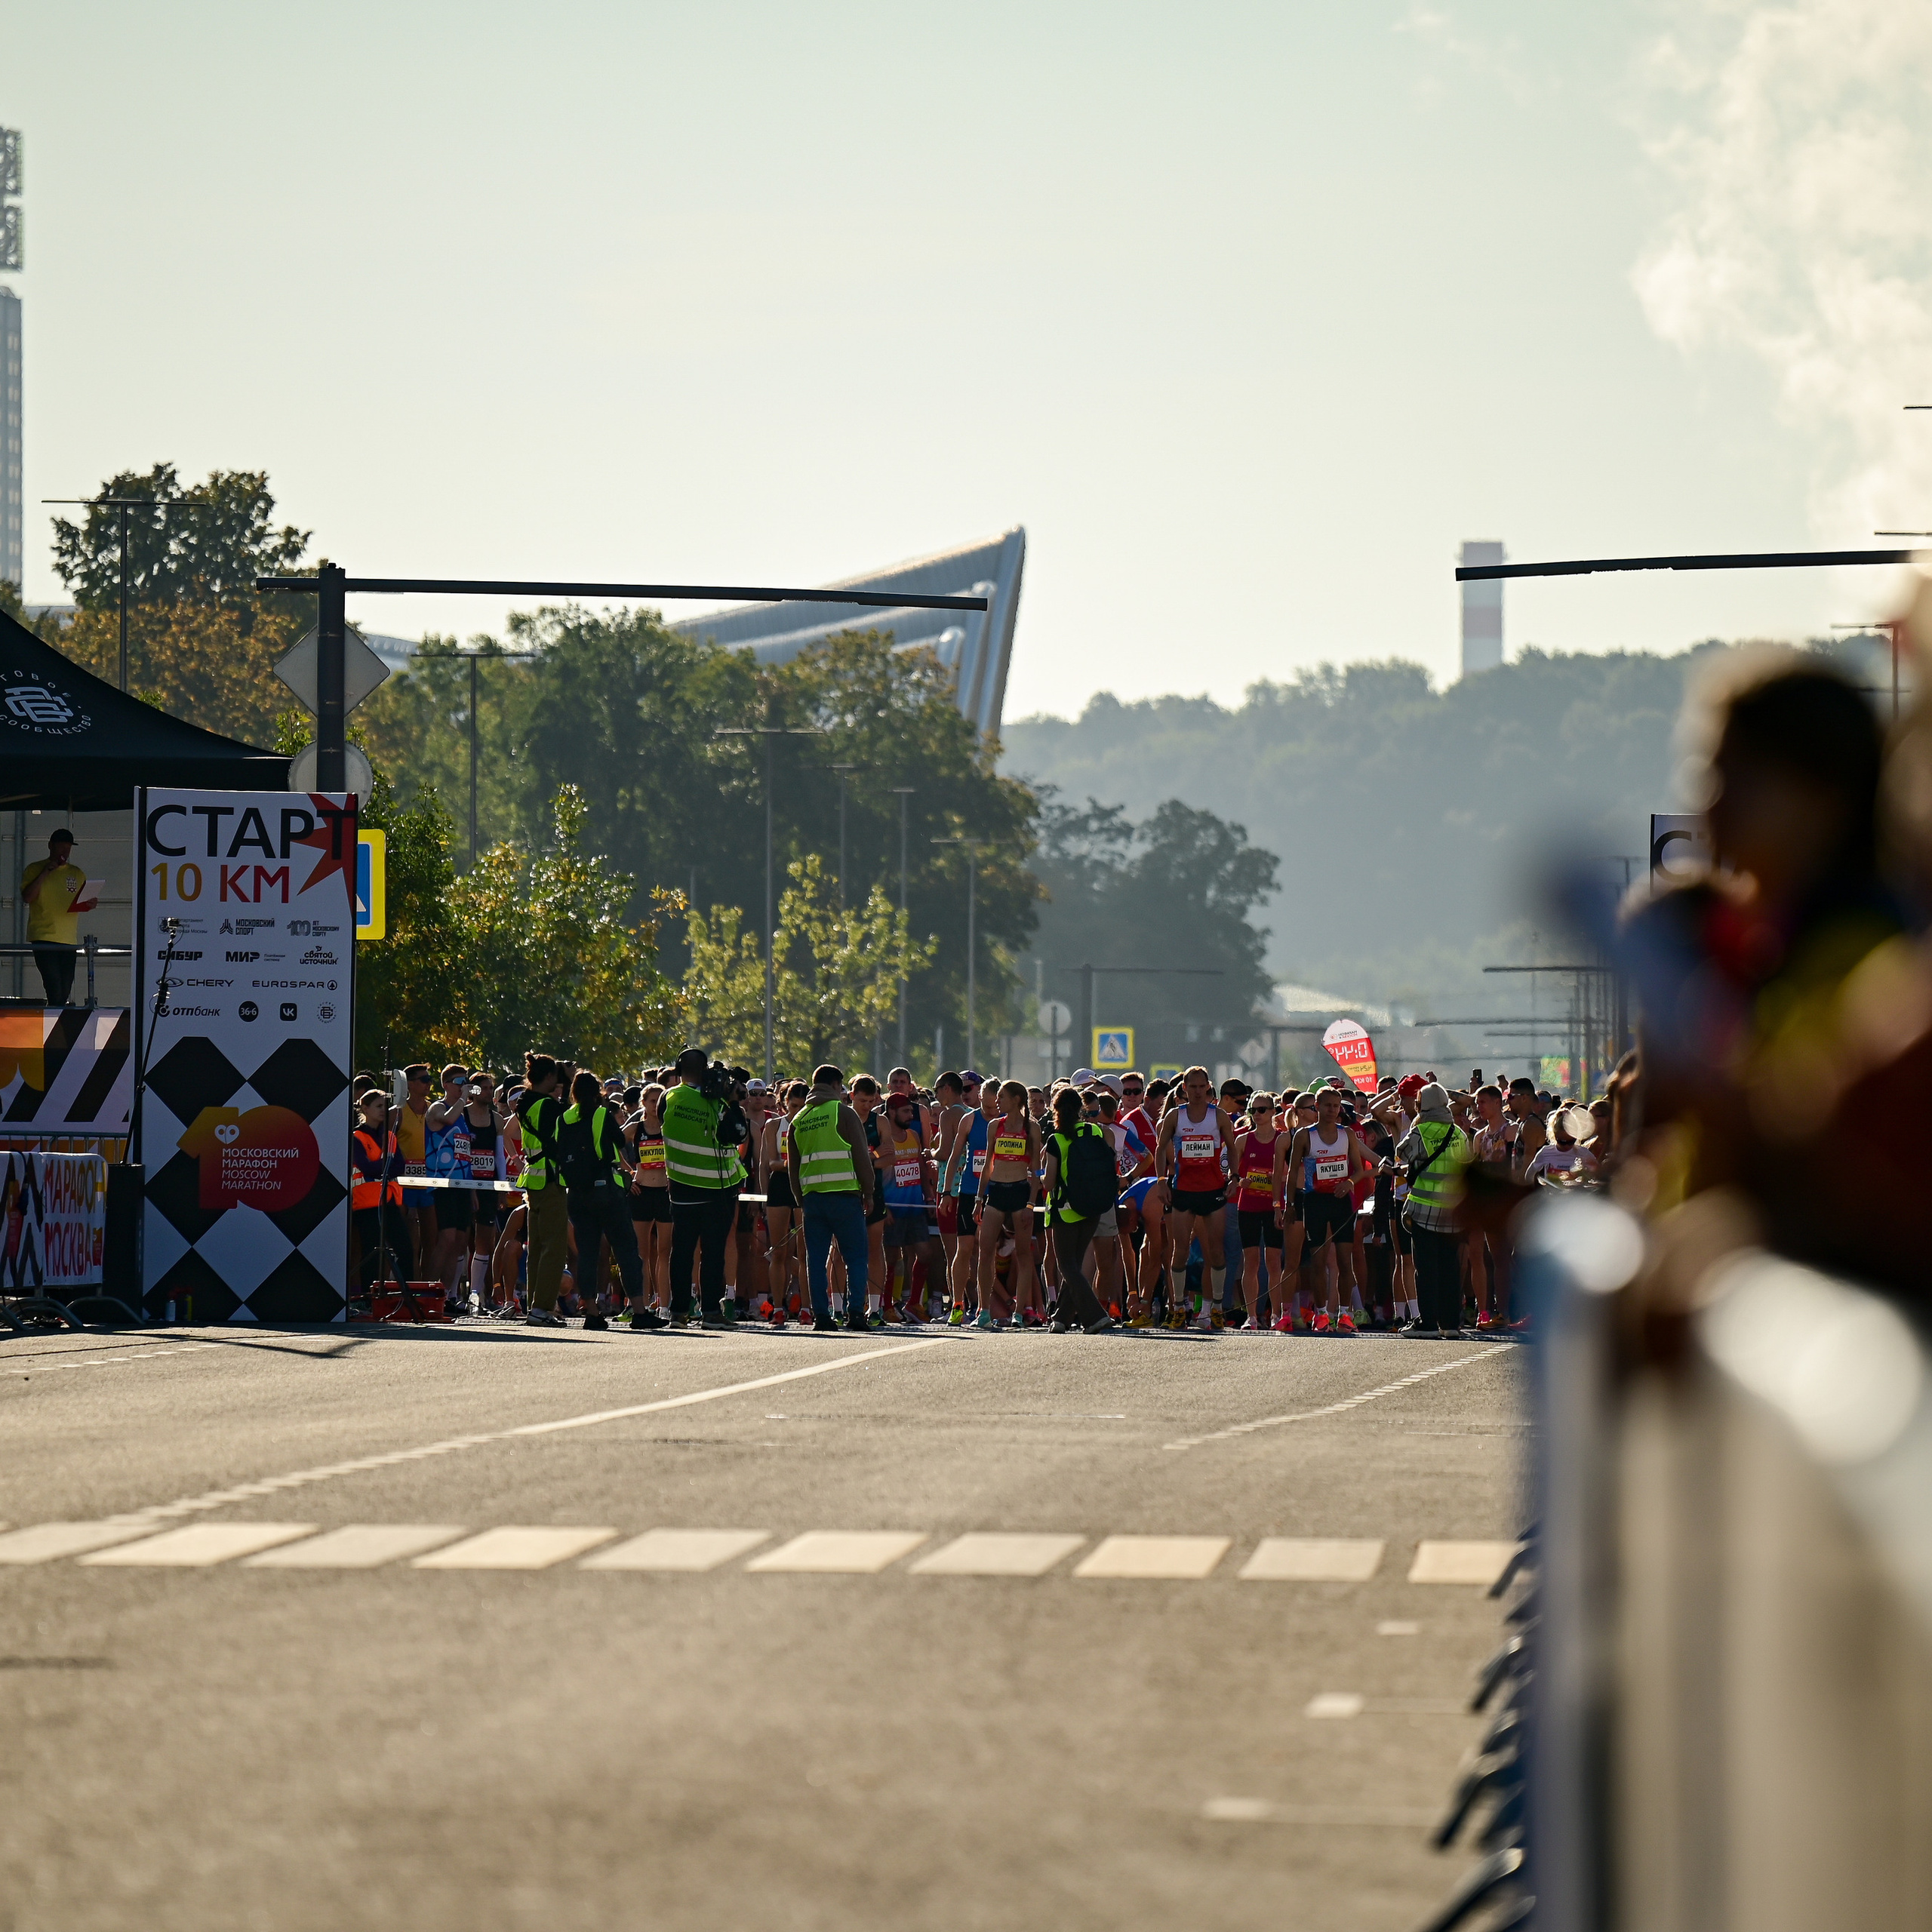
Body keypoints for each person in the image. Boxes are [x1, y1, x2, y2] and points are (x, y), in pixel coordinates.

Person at [661, 1046, 751, 1328]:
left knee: (682, 1252)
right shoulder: (715, 1101)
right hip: (716, 1189)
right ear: (704, 1071)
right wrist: (732, 1102)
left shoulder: (668, 1097)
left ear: (678, 1070)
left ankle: (678, 1312)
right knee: (713, 1254)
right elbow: (737, 1134)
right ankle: (711, 1311)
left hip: (681, 1188)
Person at [557, 1069, 652, 1331]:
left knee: (587, 1253)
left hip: (577, 1193)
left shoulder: (564, 1118)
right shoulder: (601, 1114)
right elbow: (620, 1141)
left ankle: (591, 1311)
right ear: (597, 1092)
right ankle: (639, 1311)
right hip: (605, 1189)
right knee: (626, 1250)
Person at [787, 1063, 877, 1333]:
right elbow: (861, 1156)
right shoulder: (843, 1112)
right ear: (837, 1085)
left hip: (813, 1200)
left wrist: (801, 1200)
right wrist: (868, 1191)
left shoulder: (798, 1120)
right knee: (856, 1258)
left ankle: (821, 1316)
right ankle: (856, 1314)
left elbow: (793, 1168)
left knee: (815, 1260)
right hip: (845, 1196)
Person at [1156, 1065, 1233, 1331]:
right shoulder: (1175, 1116)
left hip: (1213, 1191)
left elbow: (1232, 1147)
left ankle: (1217, 1308)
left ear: (1209, 1088)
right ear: (1184, 1088)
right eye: (1193, 1087)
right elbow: (1160, 1149)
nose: (1198, 1092)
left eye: (1202, 1087)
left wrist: (1234, 1177)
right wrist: (1161, 1180)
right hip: (1184, 1191)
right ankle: (1178, 1308)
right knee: (1180, 1250)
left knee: (1216, 1251)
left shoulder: (1218, 1116)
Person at [1288, 1084, 1368, 1334]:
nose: (1333, 1110)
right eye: (1328, 1106)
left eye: (1336, 1106)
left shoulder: (1347, 1134)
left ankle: (1345, 1314)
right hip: (1314, 1202)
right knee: (1318, 1262)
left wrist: (1349, 1182)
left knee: (1345, 1261)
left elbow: (1359, 1170)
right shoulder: (1305, 1135)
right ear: (1317, 1107)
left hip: (1340, 1201)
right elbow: (1292, 1172)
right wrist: (1289, 1205)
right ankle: (1321, 1314)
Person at [1039, 1087, 1118, 1332]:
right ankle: (1061, 1319)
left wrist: (1038, 1176)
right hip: (1094, 1207)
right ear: (1080, 1109)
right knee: (1074, 1266)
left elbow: (1049, 1183)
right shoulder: (1096, 1131)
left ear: (1056, 1110)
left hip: (1066, 1210)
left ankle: (1095, 1317)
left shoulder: (1057, 1139)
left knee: (1067, 1266)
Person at [1398, 1081, 1471, 1337]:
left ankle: (1427, 1322)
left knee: (1426, 1268)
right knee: (1450, 1268)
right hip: (1453, 1212)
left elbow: (1402, 1153)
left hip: (1424, 1211)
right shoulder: (1458, 1134)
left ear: (1423, 1106)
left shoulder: (1420, 1131)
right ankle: (1450, 1324)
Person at [976, 1080, 1039, 1330]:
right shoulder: (995, 1126)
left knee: (1023, 1254)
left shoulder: (1031, 1128)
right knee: (985, 1252)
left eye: (1001, 1097)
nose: (997, 1101)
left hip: (1020, 1193)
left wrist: (1031, 1204)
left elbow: (1036, 1169)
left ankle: (1019, 1312)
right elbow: (988, 1165)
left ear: (1016, 1100)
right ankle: (983, 1311)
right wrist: (979, 1199)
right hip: (996, 1193)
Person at [877, 1083, 942, 1324]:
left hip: (915, 1207)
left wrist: (928, 1196)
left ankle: (913, 1303)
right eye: (906, 1112)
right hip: (892, 1209)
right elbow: (875, 1177)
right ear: (892, 1112)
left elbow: (921, 1168)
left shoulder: (913, 1136)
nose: (911, 1116)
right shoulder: (884, 1142)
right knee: (891, 1260)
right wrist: (883, 1207)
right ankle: (885, 1306)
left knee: (925, 1254)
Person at [516, 1054, 572, 1326]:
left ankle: (534, 1306)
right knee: (555, 1247)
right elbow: (566, 1128)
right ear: (549, 1076)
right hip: (550, 1179)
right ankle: (543, 1307)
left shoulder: (524, 1101)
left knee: (537, 1248)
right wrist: (569, 1085)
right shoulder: (548, 1106)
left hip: (533, 1179)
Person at [20, 827, 97, 1008]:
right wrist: (45, 872)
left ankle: (57, 1016)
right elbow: (28, 897)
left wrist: (90, 903)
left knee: (65, 988)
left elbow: (81, 901)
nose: (65, 852)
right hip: (43, 936)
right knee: (53, 985)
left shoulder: (77, 873)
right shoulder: (34, 869)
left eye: (68, 848)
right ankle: (56, 1017)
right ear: (50, 846)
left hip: (68, 939)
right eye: (61, 847)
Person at [1230, 1093, 1283, 1331]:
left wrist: (1277, 1177)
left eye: (1263, 1110)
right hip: (1248, 1206)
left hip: (1274, 1207)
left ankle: (1276, 1315)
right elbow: (1231, 1173)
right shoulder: (1243, 1140)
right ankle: (1251, 1316)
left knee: (1273, 1262)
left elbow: (1295, 1172)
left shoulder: (1283, 1140)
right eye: (1253, 1110)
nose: (1258, 1114)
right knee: (1250, 1262)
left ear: (1273, 1112)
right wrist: (1240, 1181)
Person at [349, 1088, 409, 1294]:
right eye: (378, 1106)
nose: (384, 1110)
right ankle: (369, 1297)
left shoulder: (390, 1136)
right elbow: (367, 1167)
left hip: (389, 1201)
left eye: (385, 1106)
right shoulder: (356, 1136)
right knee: (371, 1253)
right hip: (367, 1205)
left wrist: (382, 1166)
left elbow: (400, 1166)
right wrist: (386, 1165)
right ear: (365, 1109)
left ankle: (405, 1295)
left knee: (404, 1248)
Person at [625, 1081, 673, 1318]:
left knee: (664, 1253)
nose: (656, 1106)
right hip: (641, 1192)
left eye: (659, 1101)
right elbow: (609, 1143)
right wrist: (627, 1175)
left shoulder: (669, 1128)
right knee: (641, 1254)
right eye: (652, 1101)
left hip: (665, 1193)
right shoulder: (636, 1128)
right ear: (643, 1103)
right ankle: (640, 1306)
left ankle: (664, 1306)